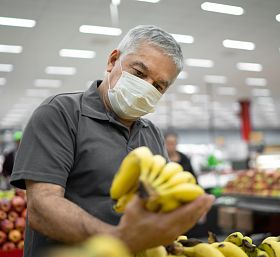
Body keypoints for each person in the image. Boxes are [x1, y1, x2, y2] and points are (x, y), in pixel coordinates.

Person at [10, 25, 214, 257]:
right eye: (138, 73)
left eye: (158, 86)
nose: (145, 88)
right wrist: (119, 240)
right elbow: (42, 208)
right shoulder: (60, 113)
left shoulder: (153, 134)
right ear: (112, 60)